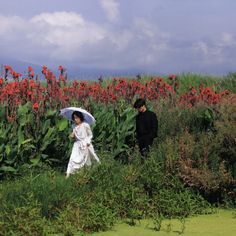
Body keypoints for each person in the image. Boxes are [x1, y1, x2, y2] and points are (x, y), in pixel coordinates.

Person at [66, 111, 100, 178]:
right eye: (74, 118)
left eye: (76, 118)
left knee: (85, 159)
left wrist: (87, 142)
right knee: (73, 158)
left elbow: (90, 135)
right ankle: (68, 174)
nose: (75, 119)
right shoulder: (74, 126)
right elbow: (75, 137)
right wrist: (72, 135)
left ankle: (87, 173)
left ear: (80, 117)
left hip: (85, 144)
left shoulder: (85, 125)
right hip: (77, 145)